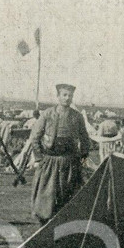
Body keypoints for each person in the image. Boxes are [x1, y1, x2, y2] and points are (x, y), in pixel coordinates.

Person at [25, 83, 92, 223]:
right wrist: (39, 158)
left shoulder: (77, 116)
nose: (67, 98)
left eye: (70, 95)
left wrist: (83, 155)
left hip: (70, 162)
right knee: (46, 194)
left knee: (68, 195)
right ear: (58, 96)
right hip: (50, 161)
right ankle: (45, 222)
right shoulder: (48, 114)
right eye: (64, 95)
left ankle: (65, 223)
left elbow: (85, 138)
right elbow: (35, 137)